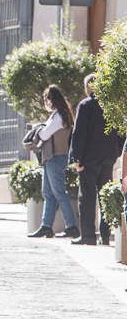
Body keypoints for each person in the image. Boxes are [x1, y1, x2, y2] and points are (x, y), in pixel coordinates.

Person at [69, 74, 124, 245]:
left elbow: (79, 134)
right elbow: (121, 132)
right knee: (104, 196)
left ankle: (88, 236)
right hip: (107, 157)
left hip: (88, 159)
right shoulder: (110, 106)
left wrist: (76, 158)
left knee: (86, 197)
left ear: (88, 87)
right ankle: (105, 235)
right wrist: (115, 152)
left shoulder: (85, 105)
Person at [29, 85, 79, 239]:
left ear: (53, 99)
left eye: (47, 98)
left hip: (56, 158)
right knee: (48, 193)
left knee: (58, 193)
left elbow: (44, 135)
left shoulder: (59, 117)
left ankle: (71, 227)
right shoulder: (57, 115)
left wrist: (37, 129)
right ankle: (46, 227)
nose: (46, 102)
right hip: (52, 158)